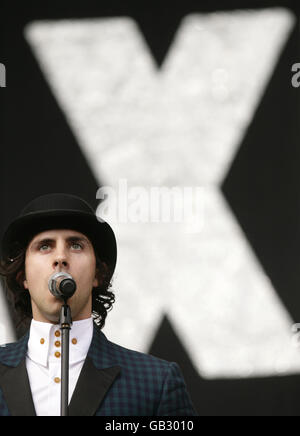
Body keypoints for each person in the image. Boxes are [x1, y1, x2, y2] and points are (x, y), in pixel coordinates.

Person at [0, 193, 197, 416]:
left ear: (98, 274)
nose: (60, 257)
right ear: (22, 277)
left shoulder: (157, 380)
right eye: (45, 246)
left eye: (75, 245)